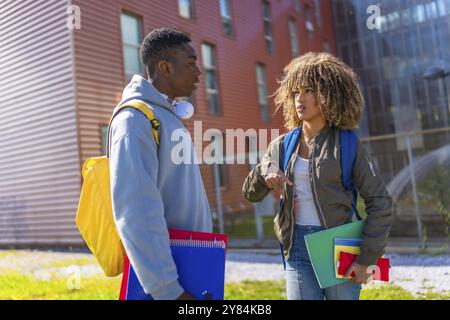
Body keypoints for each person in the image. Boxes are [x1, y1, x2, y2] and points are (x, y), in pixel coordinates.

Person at [242, 52, 394, 300]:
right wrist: (263, 173)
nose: (300, 98)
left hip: (339, 246)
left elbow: (381, 204)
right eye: (295, 92)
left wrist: (366, 259)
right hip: (297, 248)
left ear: (330, 95)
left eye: (309, 90)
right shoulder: (281, 146)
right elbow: (250, 193)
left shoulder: (348, 145)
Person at [109, 27, 211, 300]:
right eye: (191, 64)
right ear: (165, 67)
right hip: (169, 284)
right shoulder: (134, 121)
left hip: (191, 265)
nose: (199, 74)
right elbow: (136, 212)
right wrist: (168, 290)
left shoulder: (166, 116)